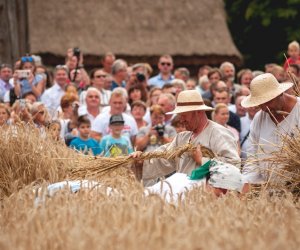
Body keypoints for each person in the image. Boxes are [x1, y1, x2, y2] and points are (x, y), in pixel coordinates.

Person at [131, 90, 240, 186]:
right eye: (180, 115)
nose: (181, 120)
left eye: (184, 115)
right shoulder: (182, 138)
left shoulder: (219, 134)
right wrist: (142, 160)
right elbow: (164, 158)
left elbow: (233, 167)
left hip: (208, 199)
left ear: (198, 112)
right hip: (184, 196)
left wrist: (203, 161)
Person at [241, 73, 300, 188]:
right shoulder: (259, 118)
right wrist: (246, 184)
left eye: (267, 101)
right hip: (269, 191)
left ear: (280, 94)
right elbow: (252, 157)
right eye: (260, 104)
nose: (264, 108)